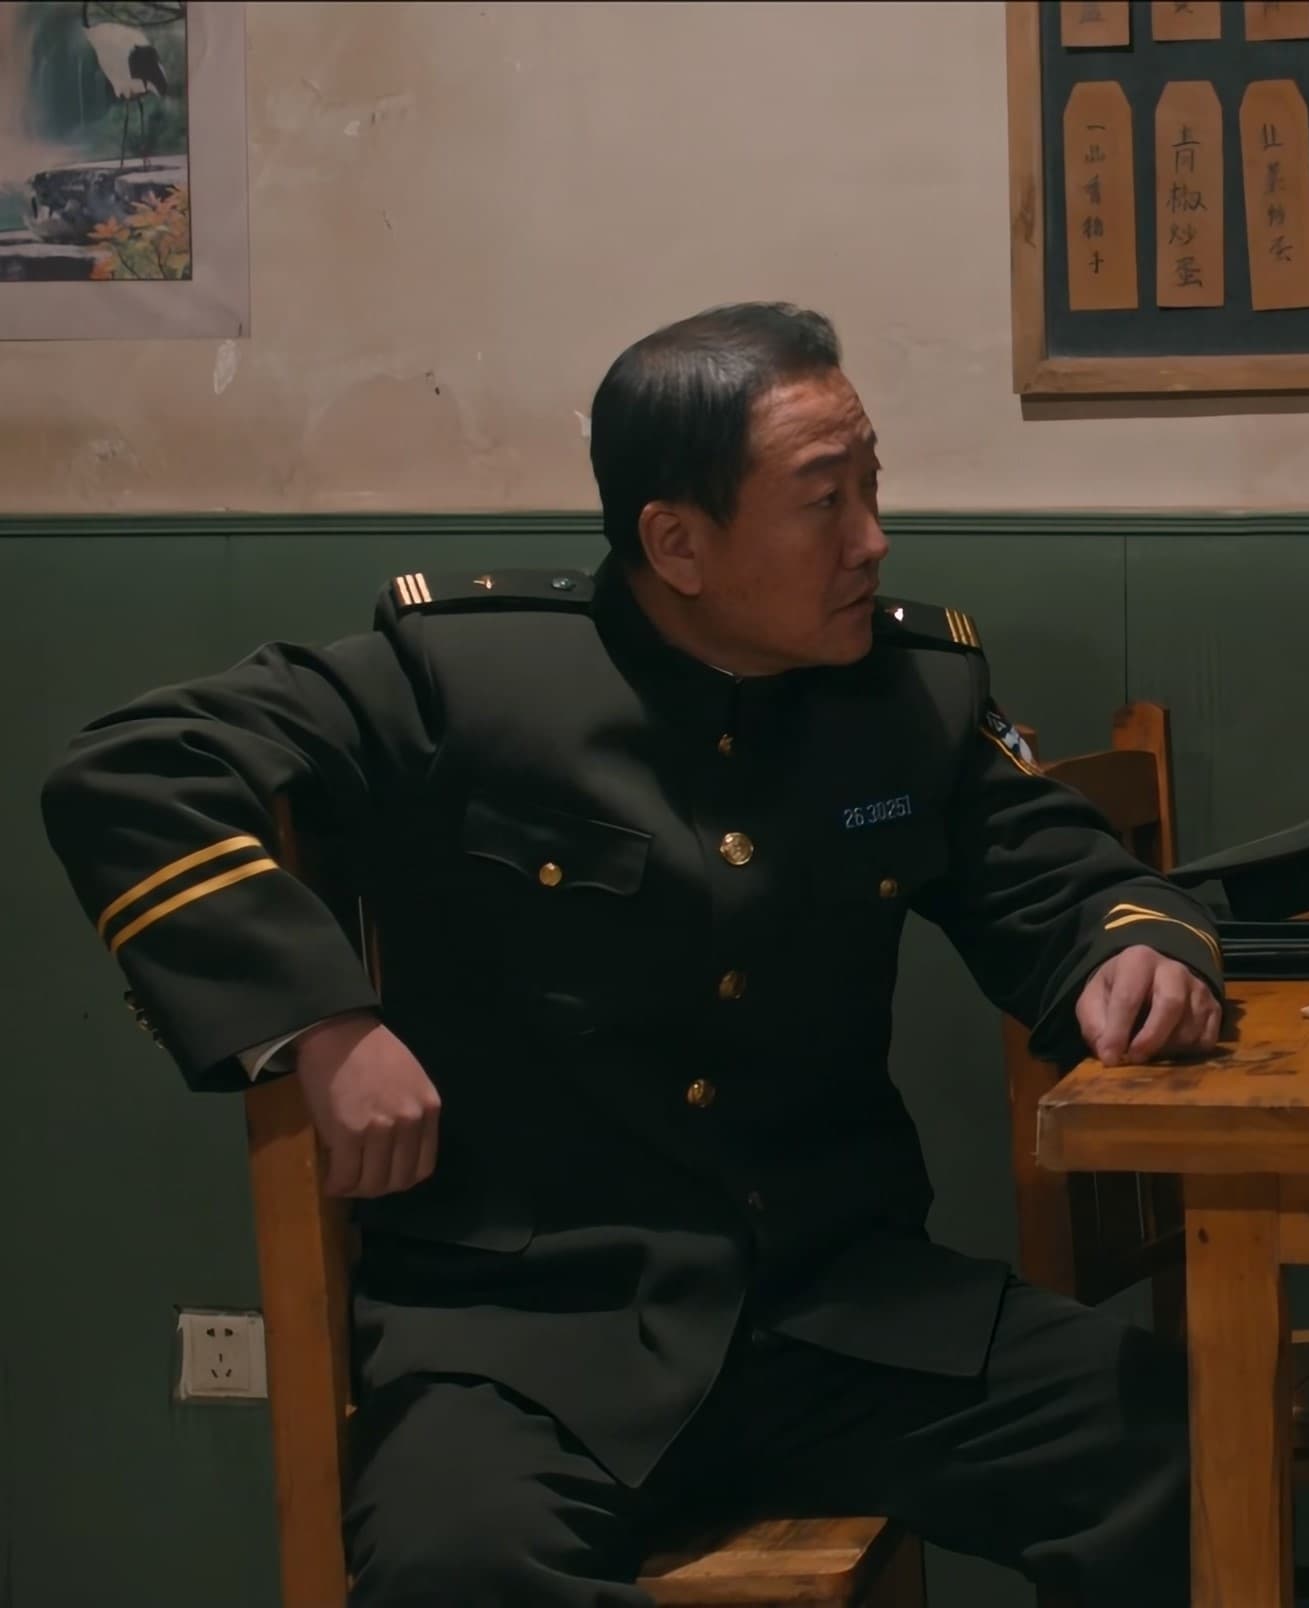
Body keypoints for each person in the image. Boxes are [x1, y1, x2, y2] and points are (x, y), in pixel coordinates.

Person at [38, 302, 1225, 1606]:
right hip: (526, 1342)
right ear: (677, 543)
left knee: (1179, 1452)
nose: (871, 540)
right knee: (456, 1572)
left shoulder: (907, 693)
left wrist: (1131, 950)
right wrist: (321, 1018)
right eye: (824, 502)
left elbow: (1064, 876)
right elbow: (132, 770)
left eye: (871, 488)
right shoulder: (466, 678)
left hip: (843, 1311)